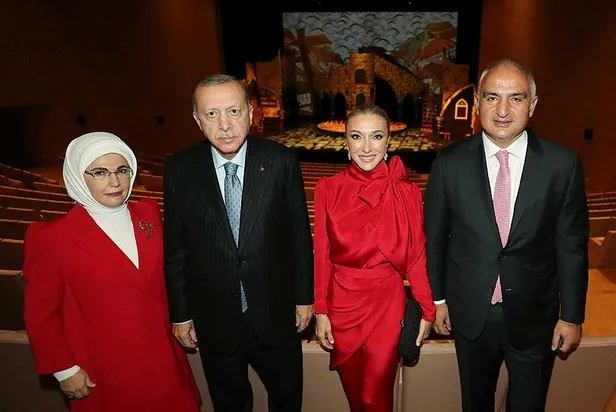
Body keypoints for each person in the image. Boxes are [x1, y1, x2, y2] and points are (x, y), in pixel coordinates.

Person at [424, 58, 589, 412]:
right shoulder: (448, 163)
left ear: (532, 105)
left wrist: (572, 315)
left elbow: (571, 247)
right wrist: (437, 301)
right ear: (477, 103)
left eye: (515, 98)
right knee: (475, 404)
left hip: (536, 316)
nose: (502, 110)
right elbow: (434, 238)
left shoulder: (562, 166)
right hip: (470, 314)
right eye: (491, 97)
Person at [163, 74, 314, 412]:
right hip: (214, 319)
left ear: (250, 112)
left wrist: (305, 298)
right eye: (212, 114)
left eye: (233, 111)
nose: (225, 125)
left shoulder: (281, 160)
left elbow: (299, 237)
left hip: (275, 314)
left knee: (287, 402)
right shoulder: (180, 169)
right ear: (197, 120)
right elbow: (175, 250)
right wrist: (181, 314)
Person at [22, 132, 201, 412]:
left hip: (166, 361)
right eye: (100, 172)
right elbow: (40, 314)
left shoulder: (149, 213)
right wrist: (63, 369)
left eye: (122, 170)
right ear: (78, 176)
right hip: (106, 371)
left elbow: (169, 276)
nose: (115, 182)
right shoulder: (51, 238)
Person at [313, 103, 436, 412]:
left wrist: (427, 308)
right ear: (346, 141)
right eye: (357, 136)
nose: (366, 147)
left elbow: (416, 256)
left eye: (376, 136)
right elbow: (322, 257)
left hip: (387, 303)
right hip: (341, 305)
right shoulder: (328, 188)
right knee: (356, 397)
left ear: (388, 141)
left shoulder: (406, 192)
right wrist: (321, 310)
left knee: (374, 396)